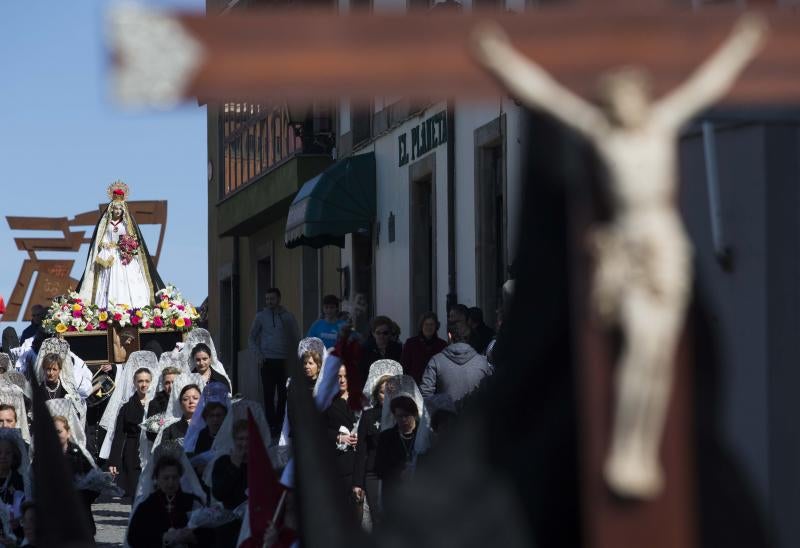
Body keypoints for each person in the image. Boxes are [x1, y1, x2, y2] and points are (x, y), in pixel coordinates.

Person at [75, 181, 165, 308]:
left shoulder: (126, 224)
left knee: (129, 280)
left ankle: (132, 307)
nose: (117, 211)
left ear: (123, 210)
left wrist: (128, 245)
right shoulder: (106, 224)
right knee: (107, 280)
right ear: (111, 209)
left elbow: (133, 238)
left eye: (120, 209)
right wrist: (105, 244)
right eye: (115, 209)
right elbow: (101, 238)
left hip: (124, 256)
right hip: (109, 256)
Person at [248, 288, 300, 437]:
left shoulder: (288, 317)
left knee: (284, 395)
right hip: (267, 361)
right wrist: (258, 354)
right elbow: (251, 338)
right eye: (267, 299)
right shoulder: (260, 317)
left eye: (272, 299)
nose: (270, 302)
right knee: (268, 395)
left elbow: (296, 336)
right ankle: (271, 425)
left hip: (285, 361)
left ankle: (280, 423)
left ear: (279, 299)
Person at [374, 375, 431, 506]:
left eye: (407, 415)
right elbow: (379, 469)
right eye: (400, 416)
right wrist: (399, 474)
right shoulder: (387, 437)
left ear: (414, 414)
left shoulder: (422, 436)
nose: (403, 420)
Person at [127, 454, 204, 548]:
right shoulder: (147, 506)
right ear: (157, 479)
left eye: (174, 477)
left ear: (180, 478)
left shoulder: (192, 502)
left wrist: (193, 538)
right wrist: (163, 538)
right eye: (166, 478)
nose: (170, 482)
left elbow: (208, 535)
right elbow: (134, 538)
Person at [353, 368, 398, 528]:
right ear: (376, 395)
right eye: (382, 392)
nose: (386, 396)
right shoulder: (368, 416)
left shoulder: (402, 416)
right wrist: (357, 483)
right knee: (377, 518)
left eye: (390, 392)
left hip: (395, 474)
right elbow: (361, 451)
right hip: (373, 474)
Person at [419, 323, 493, 408]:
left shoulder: (436, 361)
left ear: (450, 336)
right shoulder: (483, 362)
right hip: (476, 418)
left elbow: (425, 394)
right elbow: (491, 393)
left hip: (446, 418)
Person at [107, 366, 152, 498]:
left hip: (151, 450)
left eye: (146, 381)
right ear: (134, 382)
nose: (143, 384)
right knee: (135, 491)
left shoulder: (156, 403)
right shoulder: (127, 407)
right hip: (132, 452)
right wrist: (114, 460)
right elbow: (119, 435)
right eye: (140, 381)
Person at [52, 415, 98, 535]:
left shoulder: (80, 455)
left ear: (68, 433)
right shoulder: (43, 457)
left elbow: (95, 485)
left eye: (59, 431)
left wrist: (80, 496)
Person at [210, 419, 249, 548]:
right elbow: (219, 493)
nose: (244, 443)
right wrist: (235, 465)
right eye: (240, 439)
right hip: (230, 527)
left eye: (248, 438)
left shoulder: (259, 461)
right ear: (234, 440)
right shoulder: (223, 462)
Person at [324, 364, 358, 505]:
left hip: (360, 460)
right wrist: (339, 437)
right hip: (340, 462)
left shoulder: (360, 398)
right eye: (339, 377)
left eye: (345, 376)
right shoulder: (327, 401)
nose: (342, 380)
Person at [401, 312, 448, 385]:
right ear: (421, 326)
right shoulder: (411, 343)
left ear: (436, 326)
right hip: (415, 386)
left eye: (431, 324)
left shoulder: (442, 345)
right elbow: (405, 367)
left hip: (435, 386)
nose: (429, 327)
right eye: (426, 324)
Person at [358, 316, 403, 391]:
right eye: (378, 333)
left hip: (393, 388)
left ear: (390, 334)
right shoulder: (365, 350)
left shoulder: (397, 348)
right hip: (371, 389)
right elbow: (362, 373)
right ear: (373, 333)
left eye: (385, 333)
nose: (381, 336)